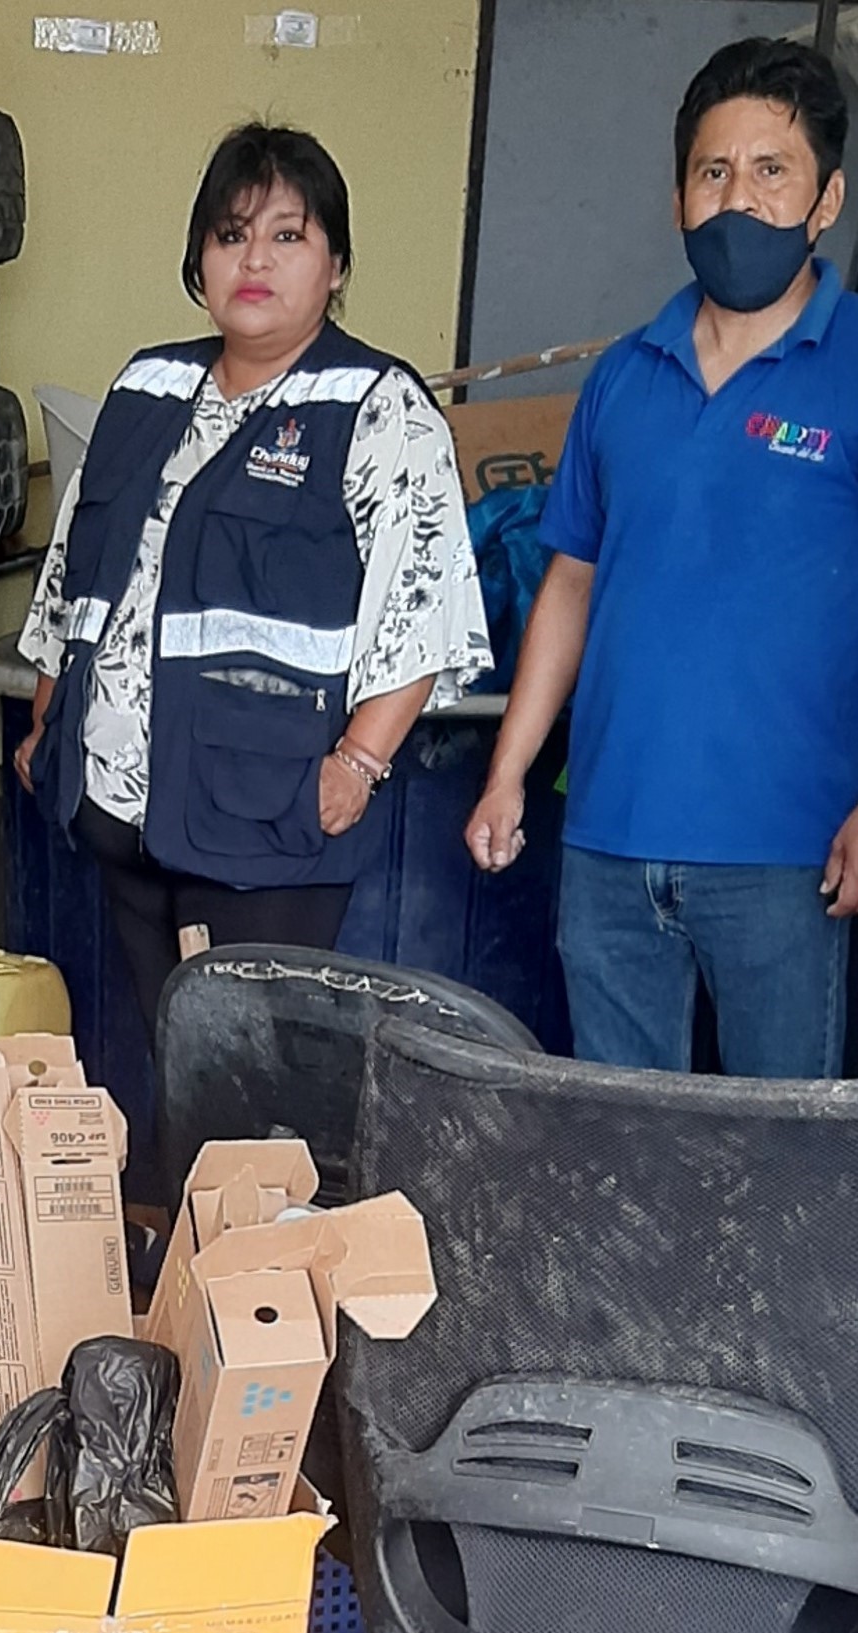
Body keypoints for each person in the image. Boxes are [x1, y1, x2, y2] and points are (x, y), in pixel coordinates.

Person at [16, 122, 491, 1066]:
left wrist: (355, 765)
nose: (254, 260)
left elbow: (421, 606)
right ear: (198, 261)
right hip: (119, 811)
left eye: (287, 236)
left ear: (335, 264)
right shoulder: (148, 386)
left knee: (248, 1090)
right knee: (164, 1067)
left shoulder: (376, 407)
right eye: (230, 235)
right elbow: (77, 569)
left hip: (265, 823)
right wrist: (46, 717)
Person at [465, 37, 856, 1078]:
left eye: (770, 170)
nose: (738, 198)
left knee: (779, 1149)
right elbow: (569, 583)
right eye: (711, 171)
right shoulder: (621, 378)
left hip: (787, 852)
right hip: (608, 839)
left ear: (825, 200)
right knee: (619, 1143)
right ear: (678, 196)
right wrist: (506, 774)